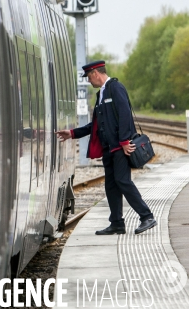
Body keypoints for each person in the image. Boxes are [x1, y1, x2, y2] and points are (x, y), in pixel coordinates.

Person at [56, 60, 157, 235]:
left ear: (95, 73)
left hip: (120, 147)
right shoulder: (102, 94)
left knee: (123, 181)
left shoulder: (115, 88)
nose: (89, 81)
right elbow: (95, 125)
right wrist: (72, 133)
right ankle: (117, 223)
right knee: (111, 185)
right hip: (109, 149)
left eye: (88, 77)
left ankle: (146, 216)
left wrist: (125, 141)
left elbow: (125, 114)